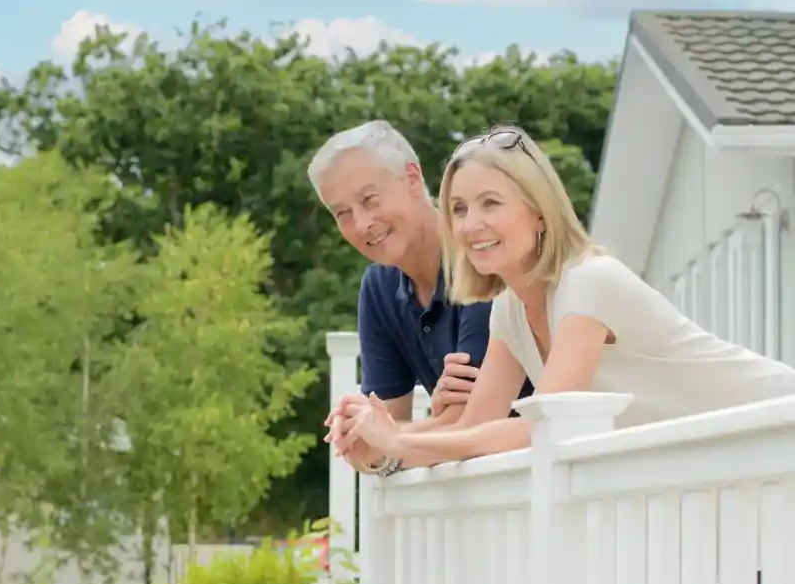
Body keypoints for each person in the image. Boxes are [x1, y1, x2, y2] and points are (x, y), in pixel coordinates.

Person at [325, 125, 795, 468]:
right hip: (738, 458)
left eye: (491, 203)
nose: (471, 226)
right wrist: (379, 441)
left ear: (539, 212)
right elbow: (473, 427)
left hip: (778, 424)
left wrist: (400, 442)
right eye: (459, 209)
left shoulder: (588, 283)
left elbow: (544, 425)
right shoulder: (509, 309)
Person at [308, 120, 531, 475]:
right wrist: (369, 442)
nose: (362, 223)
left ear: (412, 179)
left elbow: (470, 423)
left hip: (549, 474)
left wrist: (384, 440)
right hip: (490, 490)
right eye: (343, 214)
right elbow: (380, 437)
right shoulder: (379, 288)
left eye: (369, 200)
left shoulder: (480, 257)